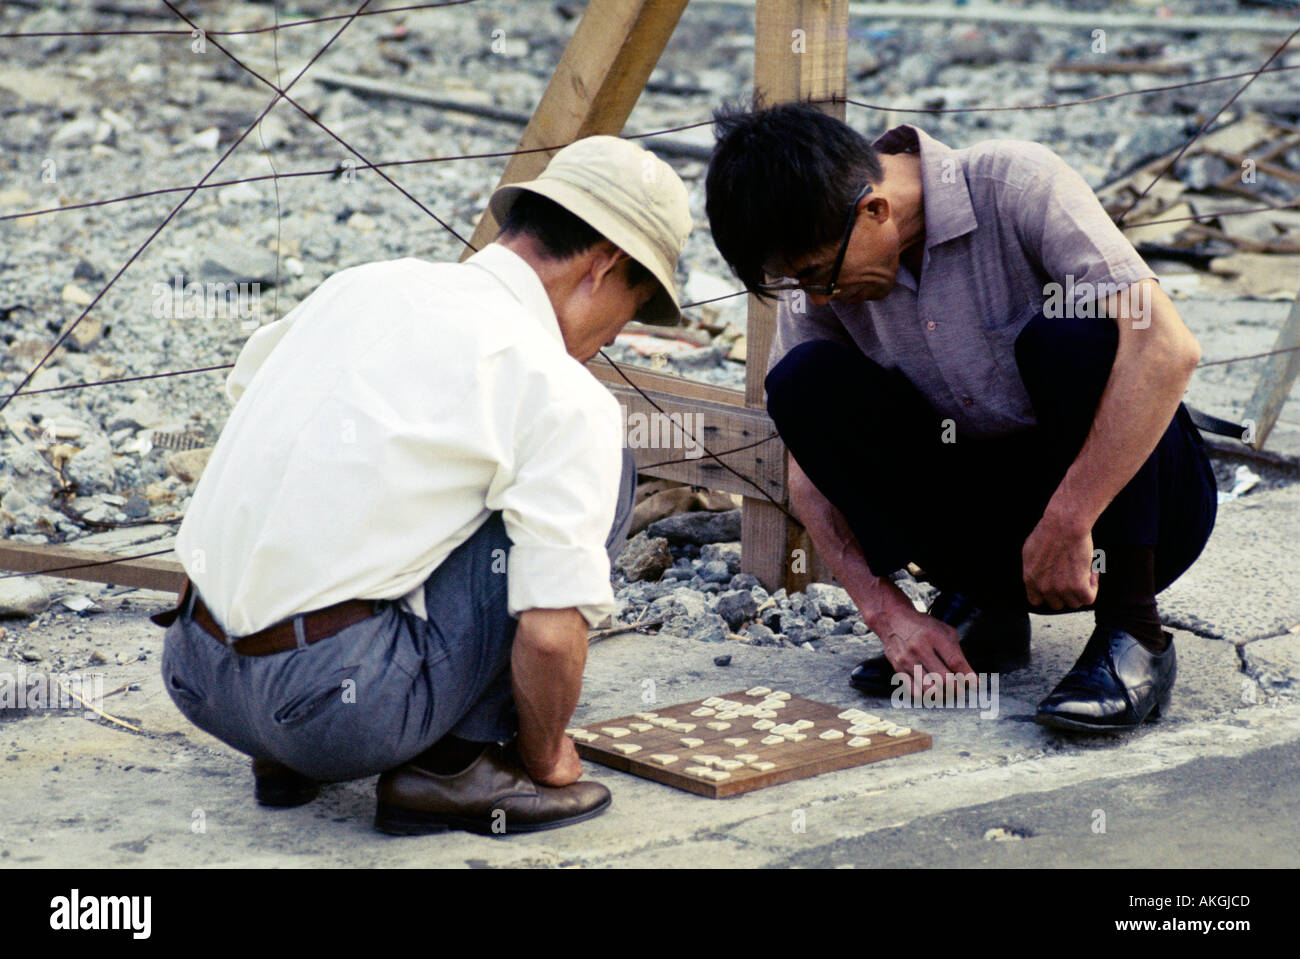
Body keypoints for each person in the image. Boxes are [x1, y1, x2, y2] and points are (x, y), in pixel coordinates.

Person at [154, 135, 692, 833]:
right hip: (332, 709)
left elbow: (255, 401)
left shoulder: (361, 284)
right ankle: (452, 769)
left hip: (195, 674)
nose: (620, 334)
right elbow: (553, 634)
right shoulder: (556, 385)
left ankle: (282, 756)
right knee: (600, 464)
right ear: (605, 265)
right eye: (636, 301)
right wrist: (548, 756)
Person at [704, 102, 1216, 732]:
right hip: (1002, 537)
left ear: (874, 209)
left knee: (1073, 335)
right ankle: (988, 614)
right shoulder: (829, 277)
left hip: (1144, 513)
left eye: (817, 275)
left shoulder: (1017, 183)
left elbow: (1170, 348)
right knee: (801, 381)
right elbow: (805, 462)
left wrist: (1069, 517)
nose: (816, 297)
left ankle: (1136, 633)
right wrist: (887, 613)